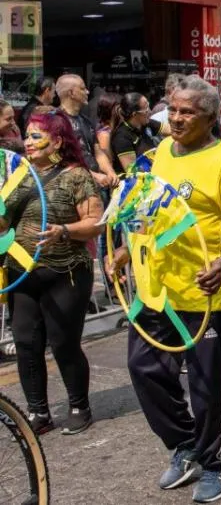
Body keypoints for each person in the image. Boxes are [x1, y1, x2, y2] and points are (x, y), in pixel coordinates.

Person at [109, 76, 221, 502]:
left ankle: (217, 463)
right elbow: (146, 211)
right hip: (157, 288)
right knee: (144, 369)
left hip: (206, 293)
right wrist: (123, 250)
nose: (176, 118)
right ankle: (185, 444)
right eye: (172, 109)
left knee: (207, 386)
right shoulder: (159, 157)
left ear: (209, 117)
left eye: (187, 111)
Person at [5, 111, 105, 435]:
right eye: (27, 135)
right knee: (25, 342)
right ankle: (37, 413)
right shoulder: (18, 175)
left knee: (63, 343)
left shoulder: (77, 176)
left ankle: (79, 405)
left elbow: (96, 223)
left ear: (58, 141)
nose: (28, 142)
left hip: (66, 271)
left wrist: (64, 230)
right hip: (22, 270)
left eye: (37, 136)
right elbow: (4, 223)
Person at [55, 74, 117, 188]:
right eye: (83, 88)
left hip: (94, 187)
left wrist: (110, 171)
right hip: (71, 189)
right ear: (71, 93)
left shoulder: (86, 120)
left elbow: (98, 151)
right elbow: (59, 161)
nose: (87, 92)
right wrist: (93, 176)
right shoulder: (55, 121)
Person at [109, 92, 157, 174]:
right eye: (146, 109)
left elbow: (169, 130)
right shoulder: (122, 137)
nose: (150, 111)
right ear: (135, 114)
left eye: (148, 106)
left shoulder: (145, 122)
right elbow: (133, 172)